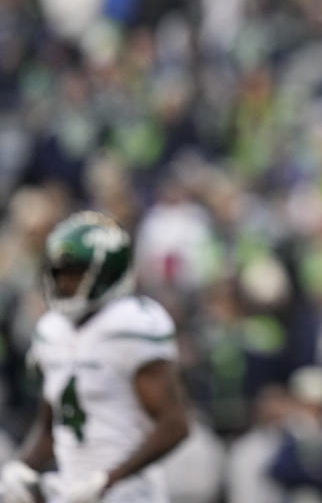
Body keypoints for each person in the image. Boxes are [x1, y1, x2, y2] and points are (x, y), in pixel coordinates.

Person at [0, 211, 189, 503]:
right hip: (72, 489)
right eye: (58, 272)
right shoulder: (52, 331)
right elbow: (52, 428)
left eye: (75, 273)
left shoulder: (132, 324)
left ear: (108, 271)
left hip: (130, 494)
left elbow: (175, 425)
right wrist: (21, 467)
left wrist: (107, 479)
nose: (63, 282)